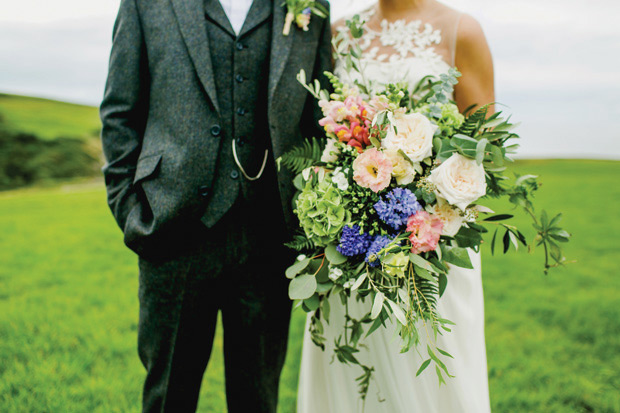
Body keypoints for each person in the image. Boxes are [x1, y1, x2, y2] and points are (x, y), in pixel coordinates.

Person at [99, 0, 331, 411]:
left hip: (270, 234)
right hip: (172, 229)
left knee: (258, 397)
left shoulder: (311, 5)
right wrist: (130, 209)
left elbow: (319, 116)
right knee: (169, 394)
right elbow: (120, 112)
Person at [297, 0, 494, 411]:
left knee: (433, 375)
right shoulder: (338, 33)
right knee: (351, 373)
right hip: (351, 248)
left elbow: (483, 149)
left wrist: (424, 190)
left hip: (432, 245)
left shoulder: (462, 31)